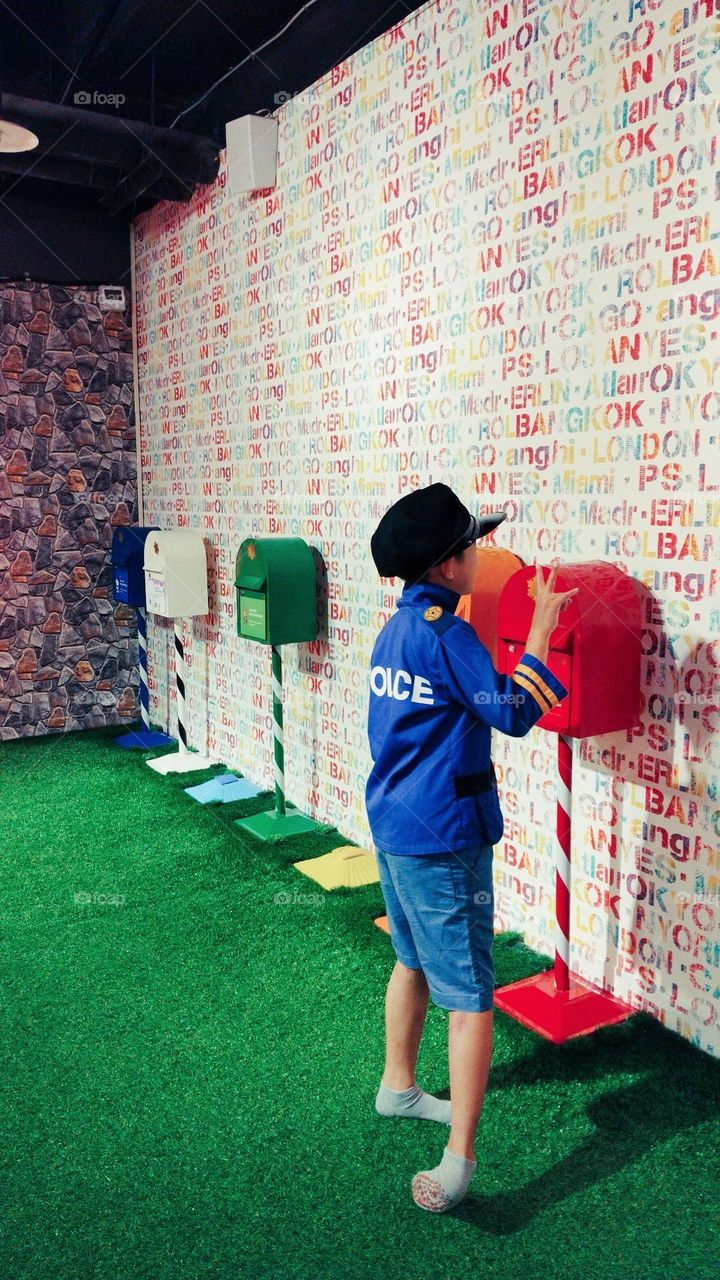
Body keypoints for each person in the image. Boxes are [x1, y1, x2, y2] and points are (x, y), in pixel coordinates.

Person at [365, 482, 577, 1213]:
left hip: (393, 825)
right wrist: (544, 630)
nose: (480, 553)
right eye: (473, 545)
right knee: (471, 997)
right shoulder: (447, 633)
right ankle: (460, 1159)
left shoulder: (397, 628)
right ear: (449, 564)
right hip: (442, 834)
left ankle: (398, 1087)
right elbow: (513, 713)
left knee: (411, 959)